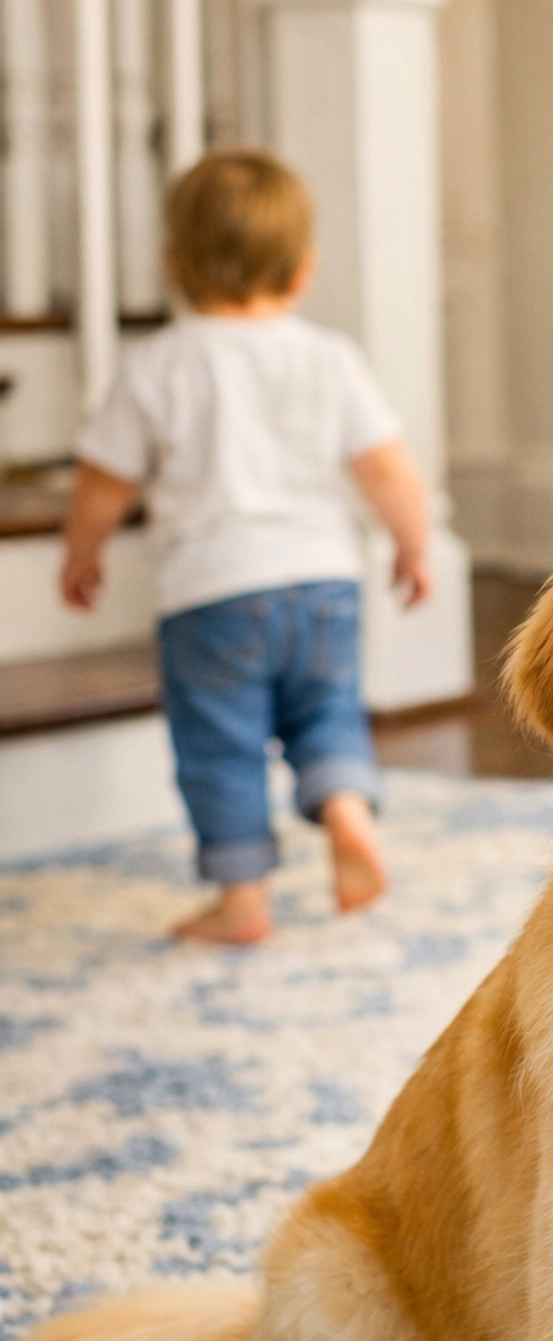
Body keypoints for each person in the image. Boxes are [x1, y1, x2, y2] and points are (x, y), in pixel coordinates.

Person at [60, 146, 433, 945]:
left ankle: (242, 901)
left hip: (211, 595)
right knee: (326, 714)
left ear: (172, 265)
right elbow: (387, 467)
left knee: (220, 747)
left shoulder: (154, 364)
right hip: (323, 583)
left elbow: (102, 482)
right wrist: (413, 546)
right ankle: (344, 812)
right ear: (303, 269)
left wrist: (81, 554)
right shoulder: (328, 357)